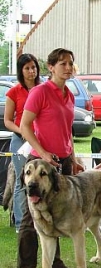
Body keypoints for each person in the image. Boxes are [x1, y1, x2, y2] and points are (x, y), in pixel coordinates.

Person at [17, 48, 84, 268]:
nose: (68, 68)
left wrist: (73, 158)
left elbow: (67, 132)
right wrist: (44, 153)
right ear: (51, 67)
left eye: (70, 63)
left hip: (62, 162)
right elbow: (25, 126)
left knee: (58, 214)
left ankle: (55, 264)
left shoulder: (70, 95)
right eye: (62, 63)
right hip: (39, 163)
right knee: (32, 215)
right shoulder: (40, 92)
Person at [4, 53, 42, 232]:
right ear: (21, 71)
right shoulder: (14, 92)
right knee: (22, 181)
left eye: (33, 67)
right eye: (27, 68)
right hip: (20, 141)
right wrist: (23, 131)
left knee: (43, 180)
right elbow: (8, 121)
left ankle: (43, 221)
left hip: (41, 140)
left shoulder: (44, 89)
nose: (31, 71)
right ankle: (22, 224)